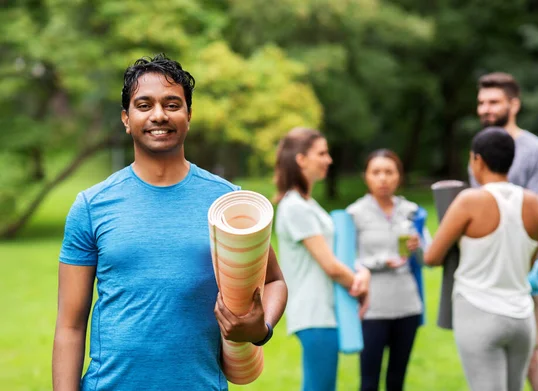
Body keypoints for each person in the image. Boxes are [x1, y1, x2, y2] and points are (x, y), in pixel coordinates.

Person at [52, 54, 288, 391]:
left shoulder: (228, 202)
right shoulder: (91, 206)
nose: (159, 115)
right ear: (126, 117)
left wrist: (259, 327)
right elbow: (70, 326)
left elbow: (275, 281)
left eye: (172, 104)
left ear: (189, 115)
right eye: (144, 105)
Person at [425, 127, 538, 391]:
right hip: (521, 317)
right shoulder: (536, 205)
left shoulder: (470, 200)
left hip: (478, 312)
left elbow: (432, 257)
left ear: (477, 160)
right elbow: (528, 262)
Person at [474, 72, 538, 391]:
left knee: (531, 358)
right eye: (481, 102)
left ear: (514, 104)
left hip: (528, 271)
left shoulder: (537, 151)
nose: (486, 109)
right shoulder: (479, 150)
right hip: (489, 274)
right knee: (495, 358)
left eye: (494, 102)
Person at [273, 127, 371, 391]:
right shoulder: (294, 207)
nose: (329, 159)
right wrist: (359, 283)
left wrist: (361, 272)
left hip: (326, 311)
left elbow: (336, 254)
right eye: (322, 153)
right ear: (301, 159)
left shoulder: (307, 204)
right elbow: (330, 266)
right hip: (314, 313)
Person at [346, 149, 428, 391]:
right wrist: (381, 261)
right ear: (366, 177)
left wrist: (418, 246)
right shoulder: (355, 213)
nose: (383, 178)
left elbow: (428, 259)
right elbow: (346, 260)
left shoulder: (413, 211)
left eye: (389, 172)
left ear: (399, 177)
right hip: (372, 308)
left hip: (407, 306)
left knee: (397, 380)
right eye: (376, 172)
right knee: (369, 381)